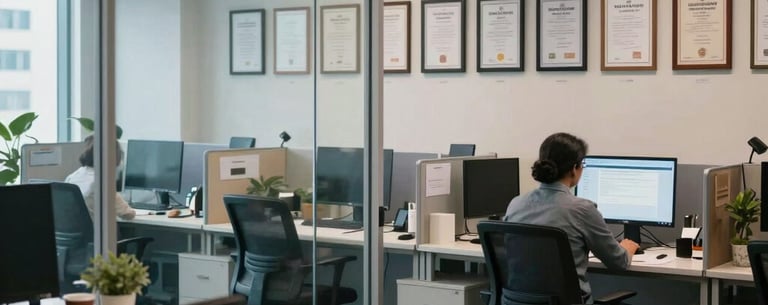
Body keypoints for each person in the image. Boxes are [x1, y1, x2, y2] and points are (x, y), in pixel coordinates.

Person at [503, 132, 639, 302]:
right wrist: (628, 246)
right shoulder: (582, 210)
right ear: (574, 169)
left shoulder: (515, 204)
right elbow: (619, 262)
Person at [65, 135, 136, 220]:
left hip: (76, 230)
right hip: (99, 232)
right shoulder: (101, 182)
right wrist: (133, 211)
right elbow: (126, 214)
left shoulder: (72, 177)